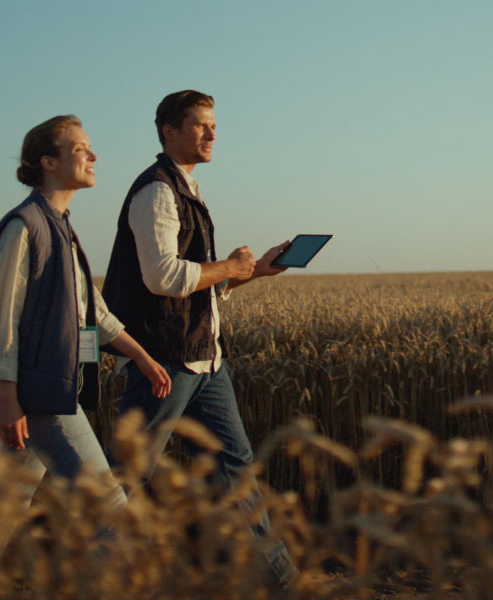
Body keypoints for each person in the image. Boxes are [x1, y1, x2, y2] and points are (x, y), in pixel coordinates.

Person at [100, 90, 297, 588]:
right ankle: (80, 571)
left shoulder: (187, 188)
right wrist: (229, 265)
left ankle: (282, 585)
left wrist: (249, 274)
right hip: (164, 360)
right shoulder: (157, 191)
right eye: (200, 125)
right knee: (128, 474)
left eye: (214, 126)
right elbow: (163, 277)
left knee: (236, 469)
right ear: (168, 130)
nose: (212, 134)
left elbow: (195, 288)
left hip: (204, 360)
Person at [0, 114, 172, 517]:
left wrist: (141, 356)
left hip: (44, 390)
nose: (94, 155)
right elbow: (0, 320)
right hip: (39, 395)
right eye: (80, 149)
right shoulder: (24, 227)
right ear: (48, 162)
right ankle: (104, 583)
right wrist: (7, 400)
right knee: (109, 510)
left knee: (1, 514)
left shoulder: (60, 227)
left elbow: (92, 312)